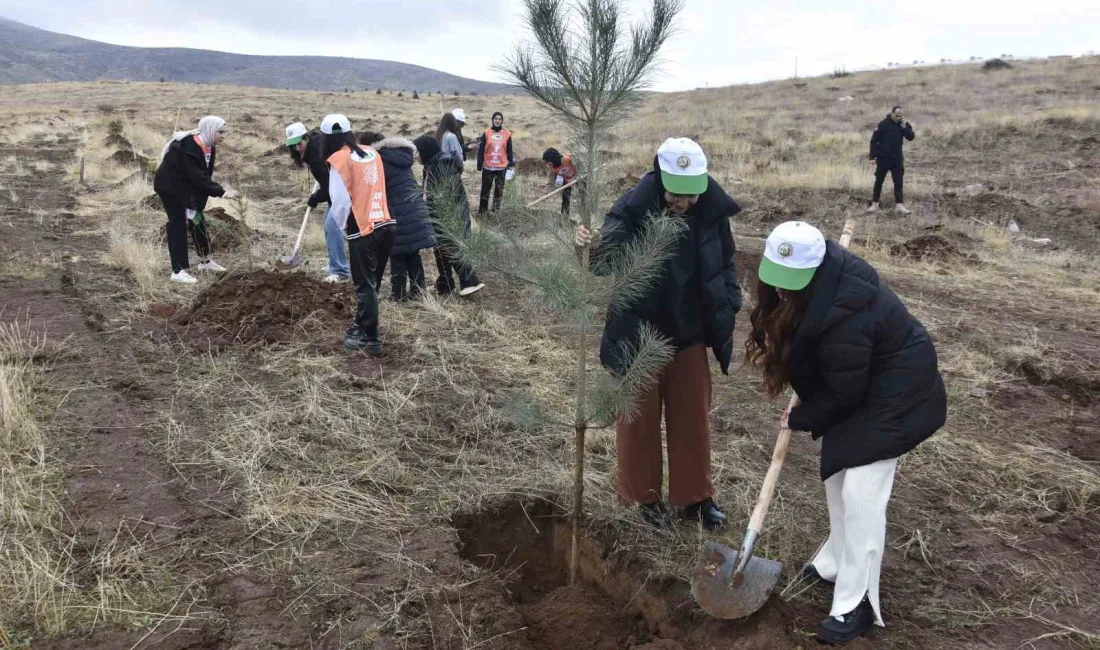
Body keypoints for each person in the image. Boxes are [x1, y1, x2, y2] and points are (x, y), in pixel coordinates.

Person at [745, 221, 947, 645]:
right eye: (776, 281)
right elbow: (828, 369)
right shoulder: (803, 293)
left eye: (790, 284)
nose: (780, 292)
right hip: (859, 384)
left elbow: (844, 389)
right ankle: (837, 558)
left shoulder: (849, 312)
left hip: (898, 394)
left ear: (815, 271)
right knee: (837, 471)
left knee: (862, 495)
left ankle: (856, 603)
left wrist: (800, 419)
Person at [574, 138, 741, 532]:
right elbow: (604, 261)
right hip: (638, 330)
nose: (683, 203)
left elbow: (727, 260)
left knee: (692, 417)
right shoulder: (631, 208)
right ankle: (644, 499)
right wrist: (588, 246)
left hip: (691, 330)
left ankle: (695, 498)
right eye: (675, 194)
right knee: (638, 419)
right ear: (660, 177)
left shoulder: (712, 209)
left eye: (690, 195)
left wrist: (729, 299)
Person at [320, 114, 397, 353]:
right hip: (386, 222)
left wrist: (343, 226)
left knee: (364, 285)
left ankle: (370, 337)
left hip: (363, 228)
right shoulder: (371, 153)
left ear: (325, 139)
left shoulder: (339, 160)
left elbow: (340, 202)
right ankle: (361, 325)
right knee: (371, 284)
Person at [154, 116, 237, 284]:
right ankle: (178, 271)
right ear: (210, 130)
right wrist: (222, 192)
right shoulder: (188, 147)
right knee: (177, 224)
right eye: (220, 132)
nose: (224, 136)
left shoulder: (209, 145)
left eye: (225, 132)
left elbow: (203, 175)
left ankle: (205, 261)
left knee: (197, 220)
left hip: (185, 189)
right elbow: (197, 176)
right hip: (170, 189)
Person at [358, 132, 436, 302]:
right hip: (414, 209)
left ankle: (398, 295)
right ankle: (419, 292)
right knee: (412, 253)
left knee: (397, 254)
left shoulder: (379, 162)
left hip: (399, 212)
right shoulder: (399, 155)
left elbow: (372, 189)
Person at [285, 121, 349, 283]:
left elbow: (328, 187)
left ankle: (340, 271)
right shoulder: (314, 148)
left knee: (332, 227)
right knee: (330, 228)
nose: (297, 148)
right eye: (293, 146)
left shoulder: (316, 155)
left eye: (299, 143)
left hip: (342, 192)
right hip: (335, 192)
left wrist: (314, 198)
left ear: (306, 138)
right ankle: (335, 262)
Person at [868, 106, 915, 214]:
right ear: (892, 113)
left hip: (897, 159)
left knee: (898, 182)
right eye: (897, 115)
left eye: (900, 116)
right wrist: (872, 157)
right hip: (883, 159)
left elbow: (911, 137)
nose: (899, 118)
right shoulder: (883, 124)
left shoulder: (904, 124)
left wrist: (904, 128)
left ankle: (899, 205)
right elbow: (874, 141)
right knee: (879, 181)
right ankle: (874, 204)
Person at [475, 111, 515, 215]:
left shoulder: (507, 134)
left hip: (501, 168)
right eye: (496, 118)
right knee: (485, 190)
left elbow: (509, 151)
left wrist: (511, 165)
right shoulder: (487, 132)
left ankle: (495, 211)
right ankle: (482, 212)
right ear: (492, 120)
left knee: (499, 190)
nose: (497, 120)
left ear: (502, 121)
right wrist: (479, 164)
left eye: (499, 119)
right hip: (488, 167)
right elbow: (481, 150)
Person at [542, 147, 577, 215]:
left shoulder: (568, 159)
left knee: (583, 194)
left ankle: (585, 213)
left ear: (554, 160)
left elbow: (580, 166)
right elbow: (554, 179)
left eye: (548, 162)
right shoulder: (552, 168)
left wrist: (577, 177)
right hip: (566, 181)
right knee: (566, 197)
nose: (547, 165)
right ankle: (564, 216)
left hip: (578, 177)